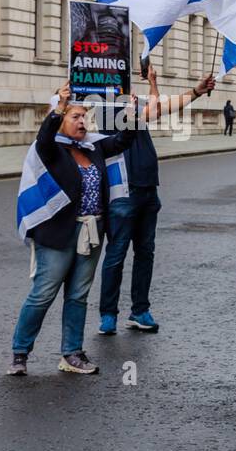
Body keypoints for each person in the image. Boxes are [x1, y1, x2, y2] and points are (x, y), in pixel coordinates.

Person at [8, 84, 140, 376]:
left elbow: (122, 142)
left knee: (78, 296)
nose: (82, 122)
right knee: (43, 293)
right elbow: (43, 138)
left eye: (84, 117)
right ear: (62, 119)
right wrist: (58, 108)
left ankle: (72, 353)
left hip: (91, 232)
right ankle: (20, 353)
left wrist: (131, 115)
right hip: (56, 235)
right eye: (76, 117)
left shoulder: (92, 147)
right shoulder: (51, 150)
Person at [97, 64, 215, 337]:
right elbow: (155, 111)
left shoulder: (131, 103)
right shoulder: (104, 106)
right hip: (124, 192)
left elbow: (156, 109)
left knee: (145, 253)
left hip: (148, 189)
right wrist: (156, 91)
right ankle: (108, 315)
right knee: (116, 255)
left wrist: (189, 90)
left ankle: (139, 311)